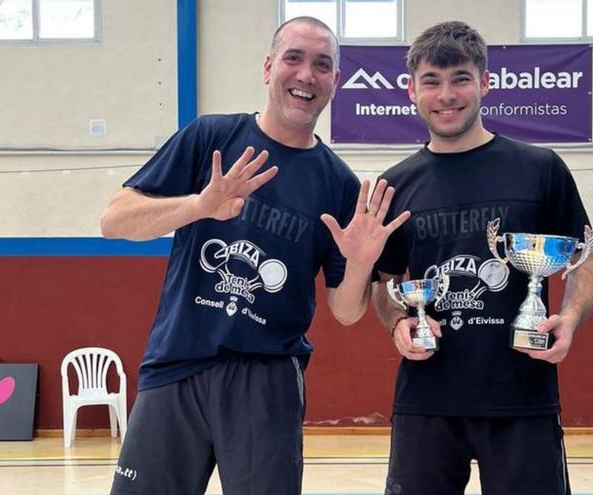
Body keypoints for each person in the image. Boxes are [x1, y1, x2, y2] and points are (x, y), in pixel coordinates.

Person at [101, 16, 408, 495]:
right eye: (294, 58)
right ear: (268, 68)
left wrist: (363, 262)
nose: (306, 74)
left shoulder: (339, 184)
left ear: (335, 82)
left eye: (322, 65)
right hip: (177, 363)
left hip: (266, 382)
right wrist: (199, 205)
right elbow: (114, 221)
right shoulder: (210, 139)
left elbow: (346, 312)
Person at [372, 21, 593, 495]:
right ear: (412, 90)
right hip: (428, 398)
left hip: (522, 395)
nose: (446, 95)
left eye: (459, 77)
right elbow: (385, 283)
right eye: (431, 81)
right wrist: (399, 323)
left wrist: (571, 317)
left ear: (484, 82)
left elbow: (587, 261)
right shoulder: (397, 185)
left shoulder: (540, 168)